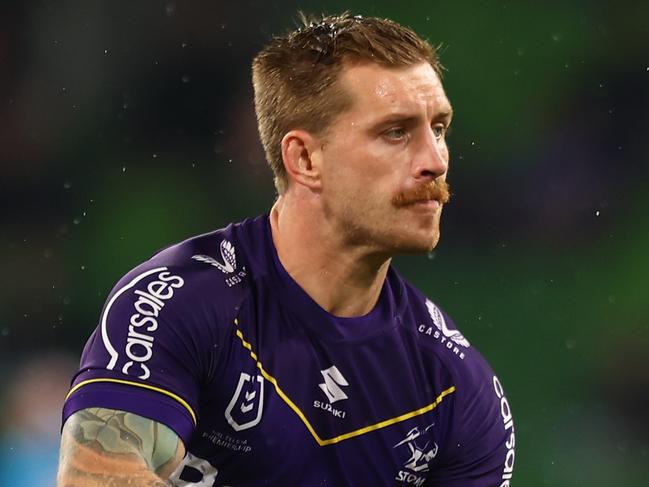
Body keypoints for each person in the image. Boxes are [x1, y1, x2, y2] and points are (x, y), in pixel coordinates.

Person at [57, 12, 515, 486]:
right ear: (305, 159)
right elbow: (94, 476)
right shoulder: (179, 300)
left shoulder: (451, 387)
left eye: (439, 129)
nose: (435, 161)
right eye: (395, 132)